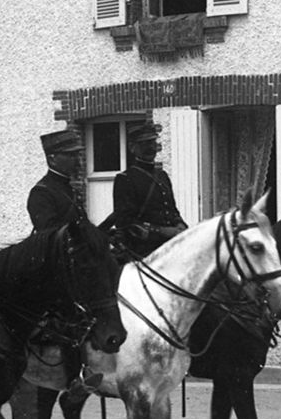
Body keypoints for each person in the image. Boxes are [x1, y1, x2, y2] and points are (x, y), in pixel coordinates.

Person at [26, 128, 100, 399]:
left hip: (75, 267)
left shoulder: (68, 190)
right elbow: (51, 239)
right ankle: (76, 376)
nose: (77, 160)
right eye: (70, 155)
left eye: (77, 155)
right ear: (53, 158)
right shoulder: (42, 193)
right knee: (71, 316)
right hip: (52, 269)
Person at [107, 122, 188, 262]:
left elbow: (172, 209)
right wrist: (163, 231)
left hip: (170, 245)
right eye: (144, 144)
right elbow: (126, 222)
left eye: (152, 142)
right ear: (133, 148)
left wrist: (180, 225)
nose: (150, 147)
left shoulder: (162, 176)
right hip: (143, 250)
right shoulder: (125, 179)